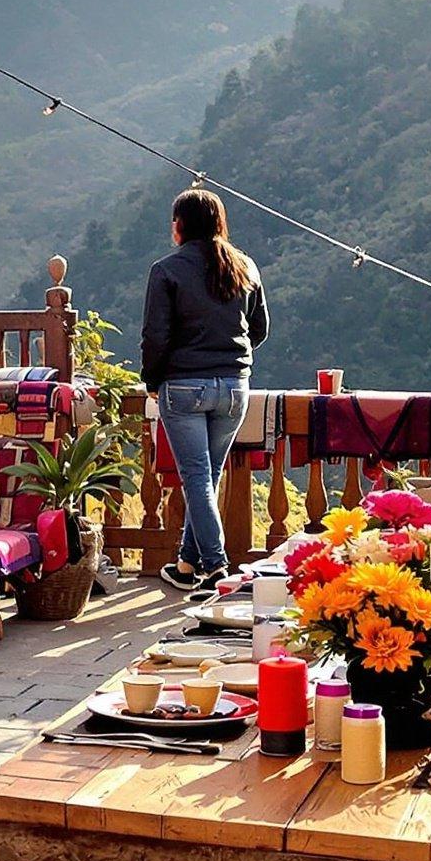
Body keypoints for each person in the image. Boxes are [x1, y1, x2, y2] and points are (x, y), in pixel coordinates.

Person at [141, 188, 270, 590]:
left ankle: (215, 566)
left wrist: (151, 381)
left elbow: (155, 336)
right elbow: (260, 330)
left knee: (197, 477)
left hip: (183, 386)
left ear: (180, 225)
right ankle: (186, 564)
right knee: (207, 477)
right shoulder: (245, 267)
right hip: (234, 387)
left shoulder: (166, 270)